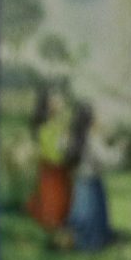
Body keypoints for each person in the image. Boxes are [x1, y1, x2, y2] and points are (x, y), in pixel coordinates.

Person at [27, 86, 75, 236]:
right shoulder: (46, 126)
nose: (60, 103)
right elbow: (50, 147)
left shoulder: (61, 122)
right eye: (56, 100)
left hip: (60, 166)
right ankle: (52, 220)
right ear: (49, 104)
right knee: (53, 196)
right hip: (51, 166)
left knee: (64, 194)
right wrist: (63, 142)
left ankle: (60, 220)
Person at [66, 101, 113, 253]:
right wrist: (121, 149)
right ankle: (92, 242)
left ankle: (83, 239)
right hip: (92, 182)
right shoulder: (93, 138)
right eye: (97, 116)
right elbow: (106, 159)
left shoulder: (76, 136)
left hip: (81, 182)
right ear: (91, 119)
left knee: (83, 212)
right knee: (93, 213)